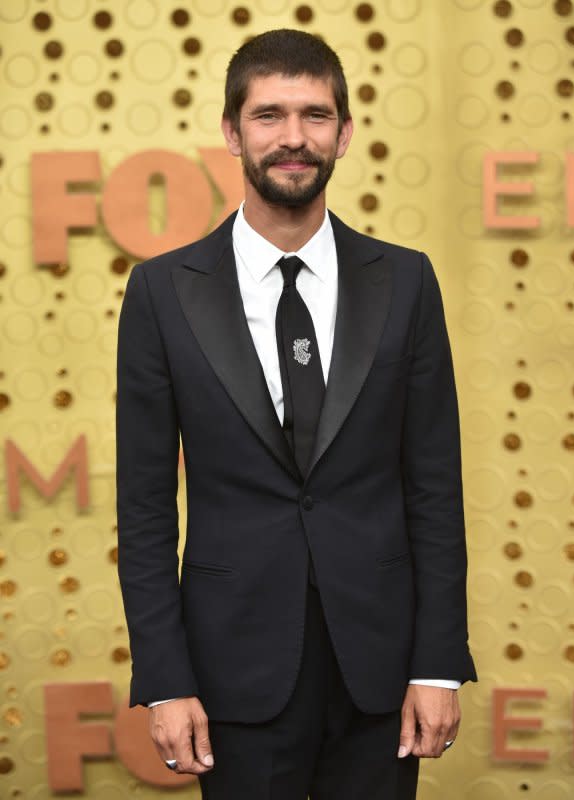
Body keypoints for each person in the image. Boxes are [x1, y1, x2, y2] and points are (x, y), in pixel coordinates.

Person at [116, 28, 477, 800]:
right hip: (230, 671)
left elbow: (435, 489)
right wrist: (164, 678)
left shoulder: (407, 283)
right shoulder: (160, 292)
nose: (292, 138)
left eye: (315, 116)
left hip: (381, 670)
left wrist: (438, 661)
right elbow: (144, 508)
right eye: (269, 115)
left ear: (344, 134)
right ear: (231, 131)